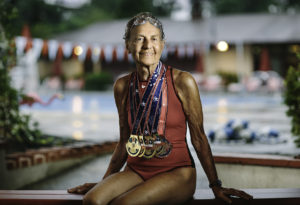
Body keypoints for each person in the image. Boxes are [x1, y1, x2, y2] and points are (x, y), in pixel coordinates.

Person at [68, 12, 253, 205]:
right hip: (136, 170)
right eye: (140, 39)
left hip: (177, 172)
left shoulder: (183, 81)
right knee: (92, 201)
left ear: (162, 45)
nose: (148, 45)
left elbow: (198, 137)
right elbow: (124, 141)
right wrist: (104, 183)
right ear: (128, 45)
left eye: (154, 39)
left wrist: (216, 185)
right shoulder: (122, 86)